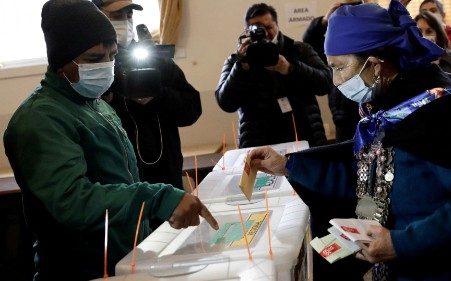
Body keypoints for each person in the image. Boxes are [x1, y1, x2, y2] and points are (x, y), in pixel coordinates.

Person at [249, 1, 451, 280]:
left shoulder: (449, 110)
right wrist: (287, 166)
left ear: (375, 64)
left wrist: (399, 242)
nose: (334, 79)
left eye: (340, 67)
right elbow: (364, 171)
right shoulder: (385, 110)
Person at [3, 1, 217, 280]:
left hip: (121, 259)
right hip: (78, 269)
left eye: (111, 55)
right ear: (60, 61)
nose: (105, 65)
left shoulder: (96, 105)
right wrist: (157, 199)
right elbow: (74, 200)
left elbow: (121, 181)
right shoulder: (39, 120)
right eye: (93, 59)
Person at [93, 0, 202, 189]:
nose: (126, 22)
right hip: (119, 182)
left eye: (129, 15)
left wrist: (158, 96)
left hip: (166, 175)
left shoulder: (156, 60)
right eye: (118, 16)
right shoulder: (93, 67)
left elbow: (192, 109)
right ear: (96, 16)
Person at [215, 3, 332, 148]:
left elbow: (326, 82)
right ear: (247, 31)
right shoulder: (236, 61)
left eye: (269, 27)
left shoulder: (299, 50)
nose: (265, 33)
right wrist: (242, 66)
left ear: (277, 25)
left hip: (305, 137)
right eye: (258, 29)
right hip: (259, 143)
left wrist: (290, 68)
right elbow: (225, 102)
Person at [302, 1, 362, 142]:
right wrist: (323, 22)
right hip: (342, 121)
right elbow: (310, 44)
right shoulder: (334, 46)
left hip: (366, 115)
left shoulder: (367, 44)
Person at [415, 11, 451, 86]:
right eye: (419, 32)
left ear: (438, 35)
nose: (423, 36)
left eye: (429, 31)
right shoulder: (409, 64)